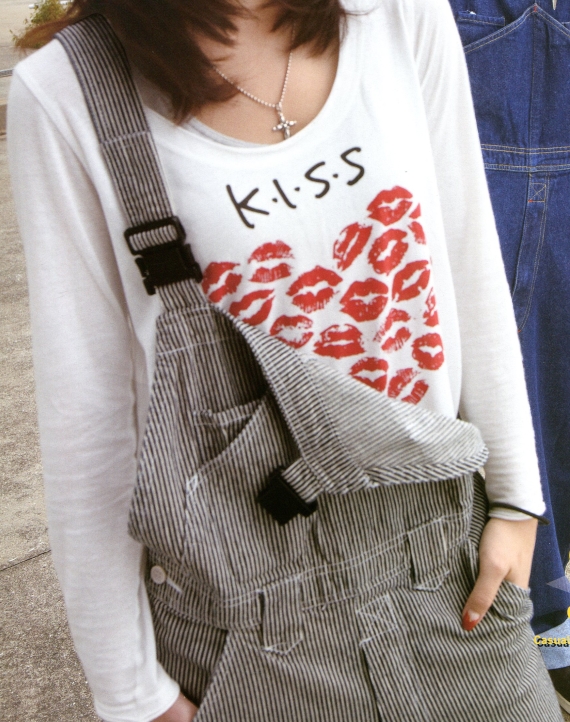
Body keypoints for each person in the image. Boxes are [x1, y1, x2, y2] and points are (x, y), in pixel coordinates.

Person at [7, 0, 562, 720]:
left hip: (452, 579)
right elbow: (90, 418)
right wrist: (131, 693)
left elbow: (466, 256)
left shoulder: (397, 17)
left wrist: (517, 501)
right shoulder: (68, 93)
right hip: (244, 637)